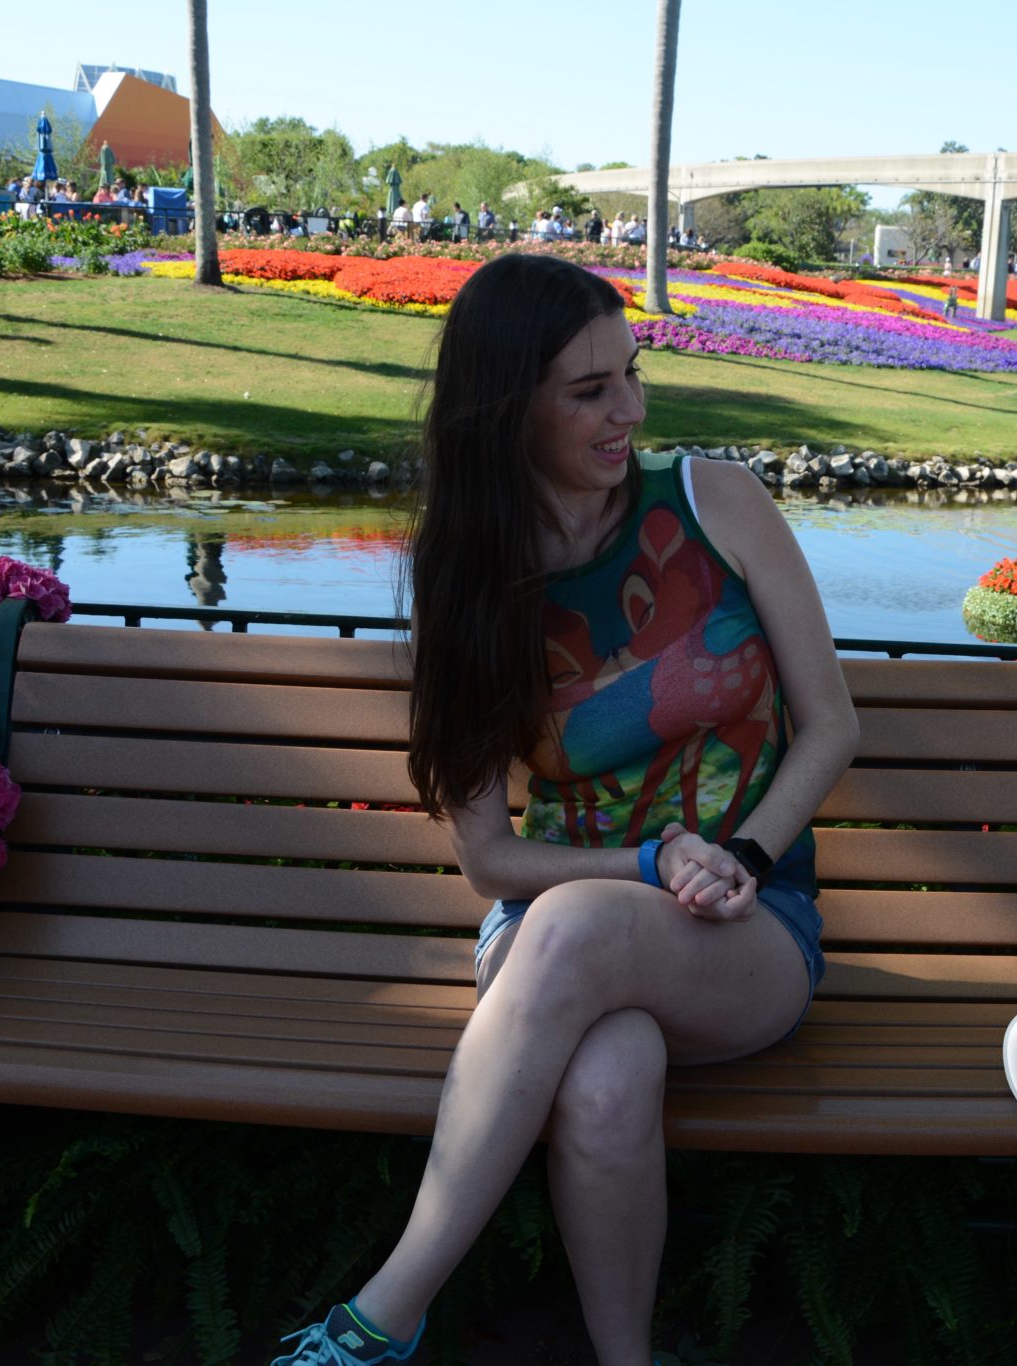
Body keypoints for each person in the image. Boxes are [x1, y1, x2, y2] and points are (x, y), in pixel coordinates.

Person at [267, 253, 851, 1366]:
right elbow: (489, 858)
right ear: (507, 406)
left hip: (746, 924)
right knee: (606, 1067)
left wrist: (738, 853)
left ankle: (378, 1319)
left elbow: (831, 724)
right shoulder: (471, 577)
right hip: (552, 931)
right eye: (588, 391)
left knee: (578, 926)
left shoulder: (714, 499)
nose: (627, 409)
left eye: (628, 375)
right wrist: (648, 859)